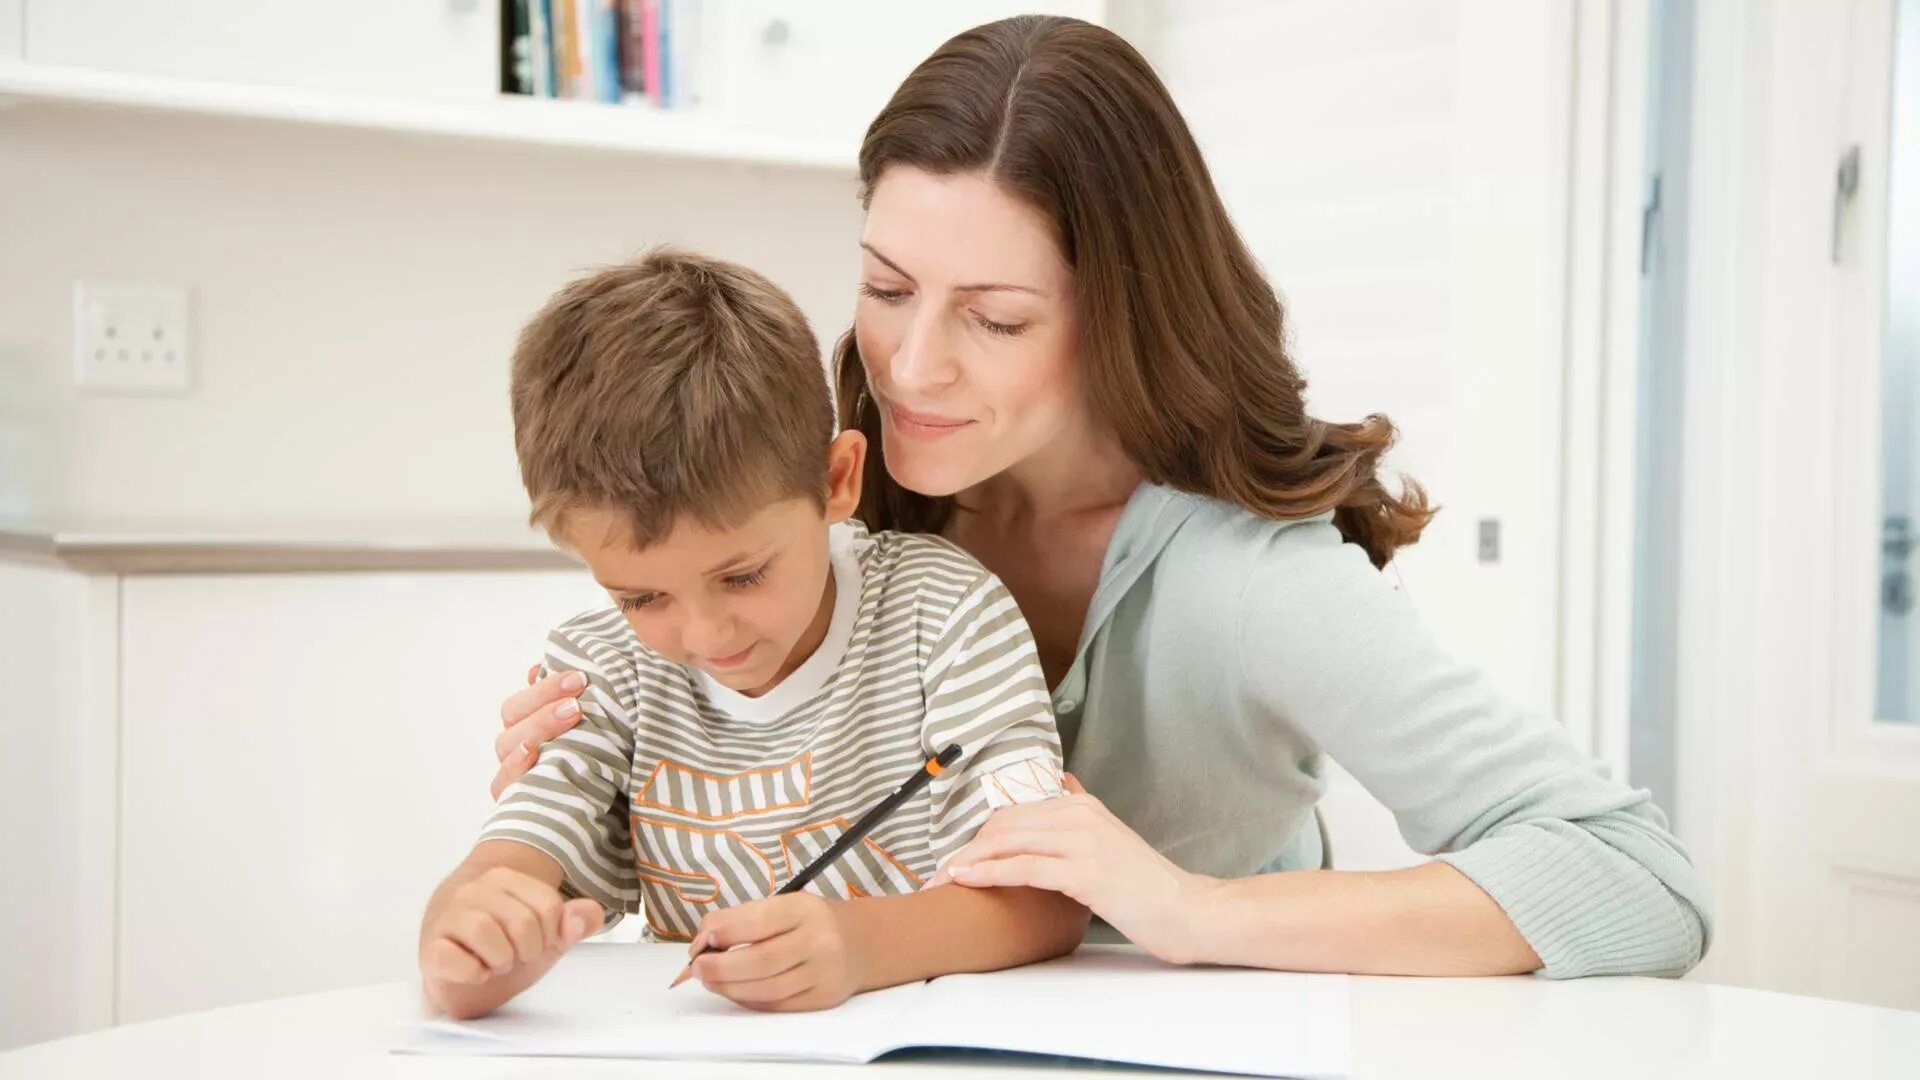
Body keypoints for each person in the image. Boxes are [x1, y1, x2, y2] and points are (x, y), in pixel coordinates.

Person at [492, 16, 1710, 980]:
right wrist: (599, 799)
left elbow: (1637, 880)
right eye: (888, 287)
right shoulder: (830, 515)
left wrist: (1191, 910)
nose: (911, 369)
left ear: (1123, 309)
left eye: (996, 316)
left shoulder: (1251, 583)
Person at [420, 250, 1084, 1019]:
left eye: (742, 577)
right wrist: (472, 944)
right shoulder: (601, 667)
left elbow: (1049, 900)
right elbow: (507, 864)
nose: (705, 634)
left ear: (837, 481)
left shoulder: (946, 617)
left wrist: (859, 945)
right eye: (642, 596)